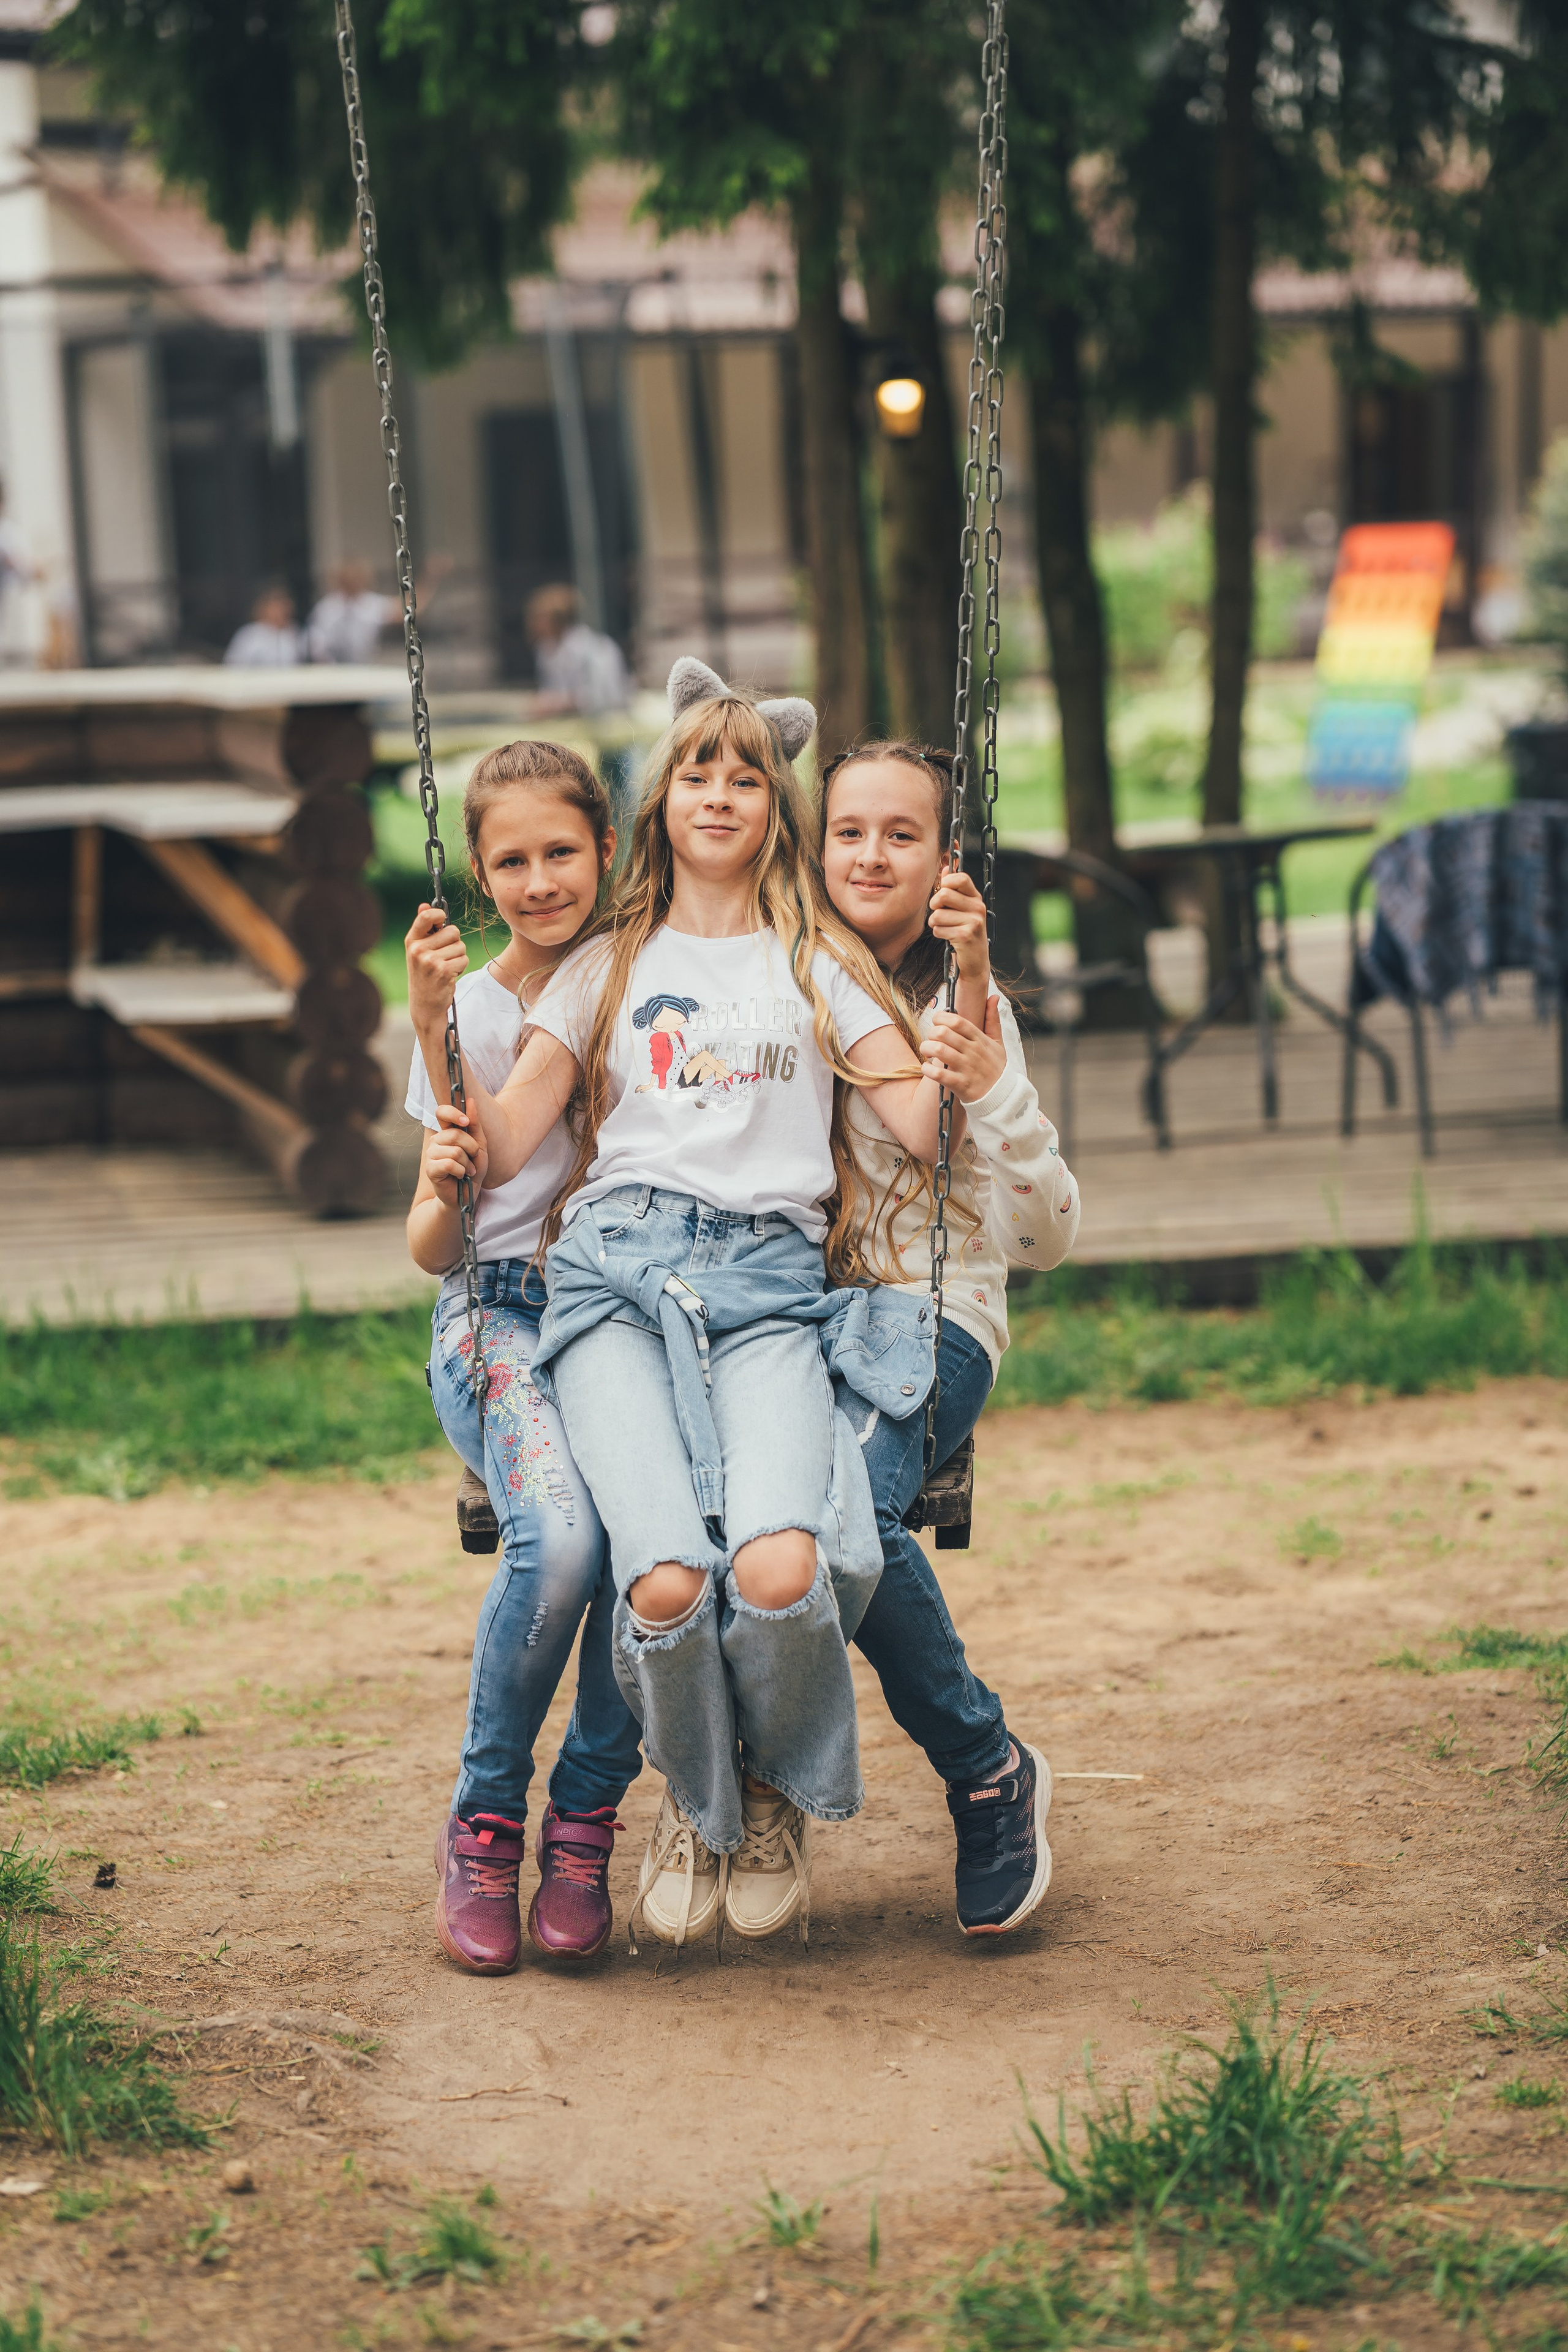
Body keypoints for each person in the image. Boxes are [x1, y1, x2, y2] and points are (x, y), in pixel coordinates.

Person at [418, 658, 948, 1950]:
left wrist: (967, 1003)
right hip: (611, 1281)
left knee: (777, 1566)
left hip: (767, 1291)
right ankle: (691, 1805)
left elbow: (924, 1129)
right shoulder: (601, 962)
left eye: (748, 773)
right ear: (658, 802)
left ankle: (762, 1799)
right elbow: (504, 1133)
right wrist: (437, 1026)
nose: (719, 792)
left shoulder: (814, 958)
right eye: (697, 770)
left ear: (778, 804)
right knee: (657, 1583)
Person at [820, 739, 1081, 1937]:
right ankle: (750, 1802)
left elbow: (1042, 1238)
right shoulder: (777, 984)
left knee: (842, 1523)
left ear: (943, 865)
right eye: (847, 831)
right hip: (795, 1321)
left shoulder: (960, 1016)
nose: (869, 854)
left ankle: (986, 1769)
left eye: (900, 834)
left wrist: (989, 1090)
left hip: (932, 1316)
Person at [404, 737, 643, 1974]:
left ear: (605, 849)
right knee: (562, 1542)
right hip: (496, 1312)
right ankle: (486, 1821)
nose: (539, 878)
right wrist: (435, 1032)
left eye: (561, 850)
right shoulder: (470, 1014)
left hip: (627, 1309)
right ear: (478, 875)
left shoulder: (646, 976)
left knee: (651, 1546)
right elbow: (427, 1241)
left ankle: (586, 1825)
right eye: (510, 859)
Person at [309, 555, 452, 665]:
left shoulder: (369, 604)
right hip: (333, 674)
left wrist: (431, 576)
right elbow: (317, 648)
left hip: (363, 671)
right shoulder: (327, 609)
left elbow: (411, 608)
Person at [526, 583, 631, 717]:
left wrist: (560, 703)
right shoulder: (545, 650)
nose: (532, 623)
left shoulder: (593, 647)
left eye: (538, 617)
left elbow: (608, 697)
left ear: (556, 619)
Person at [224, 582, 306, 667]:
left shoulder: (296, 632)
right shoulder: (249, 635)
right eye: (275, 605)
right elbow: (233, 667)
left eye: (284, 604)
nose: (280, 610)